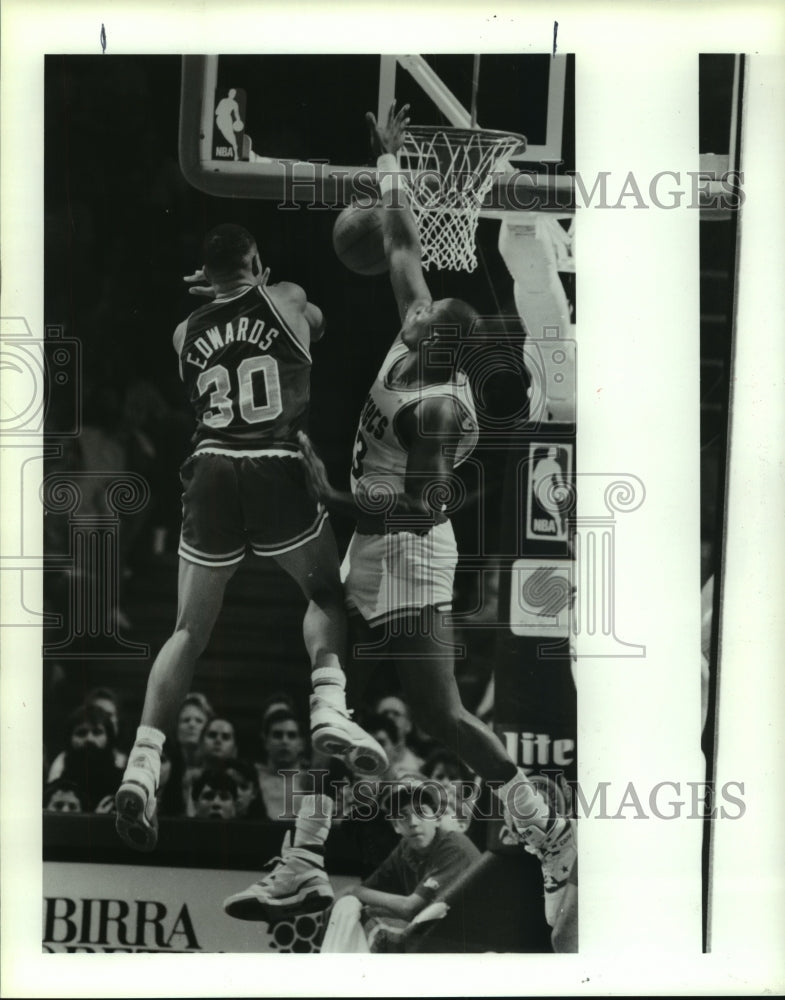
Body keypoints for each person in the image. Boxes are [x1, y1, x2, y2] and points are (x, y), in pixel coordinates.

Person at [296, 102, 576, 923]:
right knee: (326, 671)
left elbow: (412, 512)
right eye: (412, 315)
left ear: (436, 353)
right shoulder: (419, 325)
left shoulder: (442, 412)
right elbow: (403, 247)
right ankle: (303, 850)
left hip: (415, 549)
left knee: (442, 718)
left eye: (417, 325)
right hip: (380, 535)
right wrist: (388, 166)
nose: (408, 315)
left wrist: (328, 497)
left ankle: (542, 824)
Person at [115, 224, 387, 852]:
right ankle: (326, 704)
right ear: (258, 263)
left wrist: (216, 294)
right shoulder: (287, 297)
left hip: (210, 470)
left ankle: (142, 763)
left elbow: (215, 318)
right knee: (323, 595)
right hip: (275, 464)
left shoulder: (183, 332)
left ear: (204, 275)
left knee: (187, 629)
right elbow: (316, 327)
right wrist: (263, 286)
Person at [222, 782, 480, 953]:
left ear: (436, 817)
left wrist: (354, 892)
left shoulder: (453, 845)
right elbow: (360, 896)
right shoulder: (405, 849)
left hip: (473, 943)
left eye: (421, 812)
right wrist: (338, 902)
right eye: (403, 815)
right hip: (435, 938)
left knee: (358, 908)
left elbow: (409, 906)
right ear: (395, 826)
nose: (413, 821)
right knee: (350, 908)